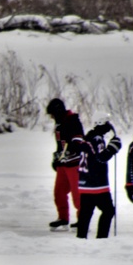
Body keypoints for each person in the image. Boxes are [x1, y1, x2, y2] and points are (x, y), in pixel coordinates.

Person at [76, 121, 123, 239]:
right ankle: (101, 239)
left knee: (85, 214)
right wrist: (113, 148)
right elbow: (102, 157)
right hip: (97, 185)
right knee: (108, 211)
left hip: (84, 183)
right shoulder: (97, 138)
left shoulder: (86, 138)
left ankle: (80, 239)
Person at [45, 98, 85, 231]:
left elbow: (79, 139)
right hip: (63, 164)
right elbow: (60, 146)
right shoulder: (59, 124)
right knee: (59, 192)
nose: (51, 117)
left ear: (57, 112)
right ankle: (63, 218)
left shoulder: (73, 120)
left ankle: (82, 220)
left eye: (52, 114)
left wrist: (71, 149)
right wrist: (56, 158)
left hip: (74, 164)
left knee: (77, 194)